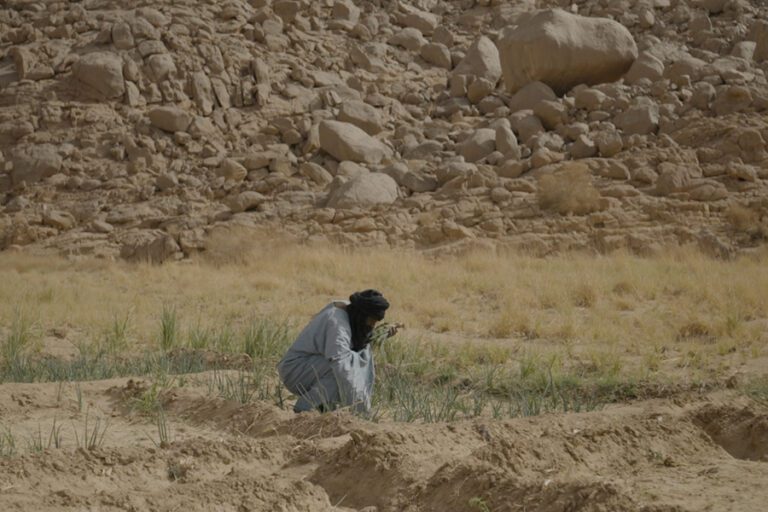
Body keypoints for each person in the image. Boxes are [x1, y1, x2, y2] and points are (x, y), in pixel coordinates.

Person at [277, 289, 397, 413]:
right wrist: (361, 408)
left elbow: (356, 343)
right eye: (371, 321)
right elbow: (342, 365)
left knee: (347, 368)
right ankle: (304, 409)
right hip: (294, 371)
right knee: (340, 371)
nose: (372, 326)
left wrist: (380, 334)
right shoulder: (337, 324)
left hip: (311, 368)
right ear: (361, 315)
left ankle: (323, 408)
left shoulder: (351, 313)